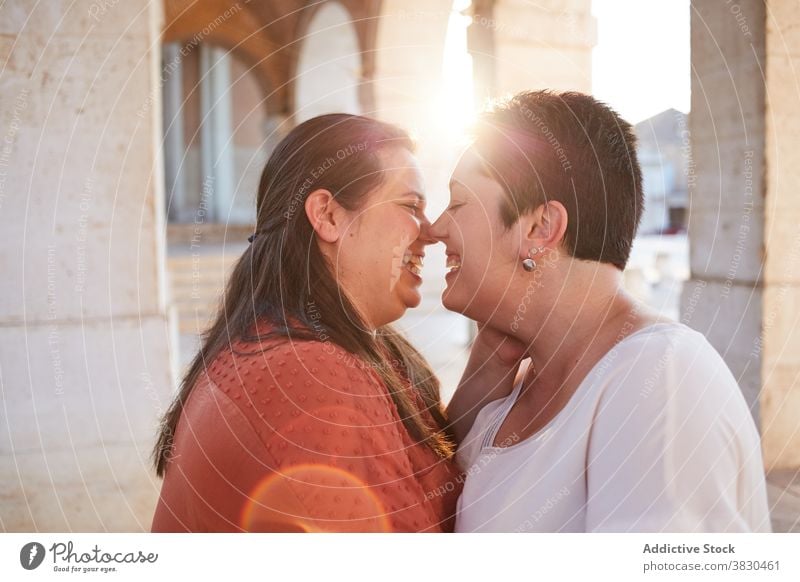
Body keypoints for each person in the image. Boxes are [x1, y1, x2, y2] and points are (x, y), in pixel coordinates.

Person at [430, 90, 771, 532]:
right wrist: (488, 362)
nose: (435, 228)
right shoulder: (510, 393)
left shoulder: (660, 375)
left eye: (457, 203)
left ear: (540, 228)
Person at [151, 114, 461, 532]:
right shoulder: (311, 373)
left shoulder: (332, 344)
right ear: (329, 216)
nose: (432, 232)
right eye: (410, 206)